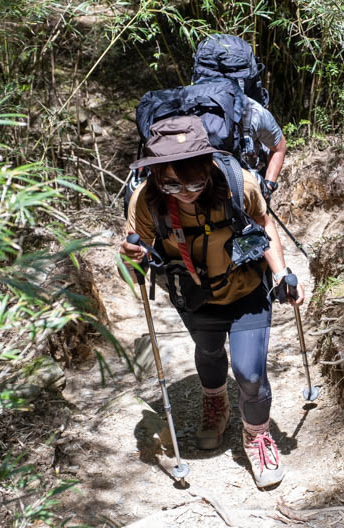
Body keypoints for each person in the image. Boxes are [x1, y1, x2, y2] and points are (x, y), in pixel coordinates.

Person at [119, 115, 303, 488]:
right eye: (172, 183)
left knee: (250, 374)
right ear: (155, 174)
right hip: (194, 293)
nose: (185, 191)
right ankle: (215, 403)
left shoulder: (237, 184)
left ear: (207, 166)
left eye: (194, 181)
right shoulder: (146, 200)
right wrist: (132, 256)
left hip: (247, 289)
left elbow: (264, 223)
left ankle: (257, 437)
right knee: (208, 350)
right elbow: (134, 249)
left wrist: (282, 272)